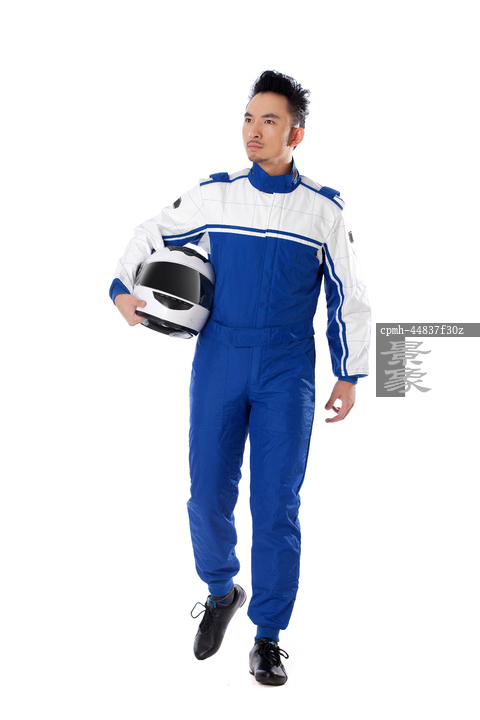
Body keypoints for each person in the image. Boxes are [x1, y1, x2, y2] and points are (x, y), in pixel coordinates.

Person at [109, 70, 371, 686]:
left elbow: (351, 294)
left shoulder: (324, 210)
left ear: (296, 135)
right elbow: (152, 231)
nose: (254, 131)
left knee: (276, 503)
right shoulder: (216, 195)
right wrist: (121, 285)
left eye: (269, 121)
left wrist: (351, 373)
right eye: (249, 119)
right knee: (207, 493)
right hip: (220, 358)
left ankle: (269, 636)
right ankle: (222, 590)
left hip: (286, 368)